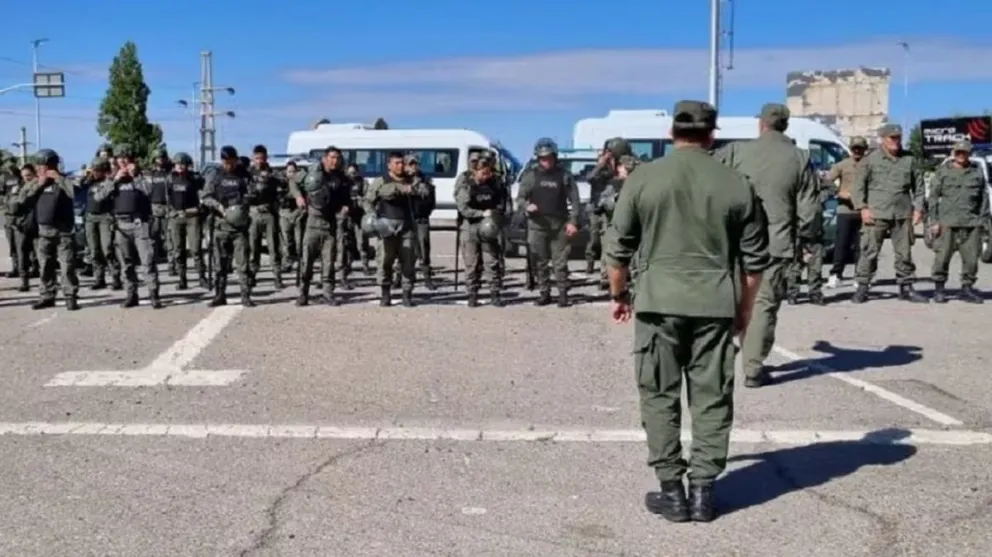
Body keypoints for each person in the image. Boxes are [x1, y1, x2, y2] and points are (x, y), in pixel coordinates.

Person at [603, 99, 770, 523]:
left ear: (671, 134)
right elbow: (754, 263)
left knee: (659, 394)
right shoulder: (736, 183)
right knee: (712, 396)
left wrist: (620, 297)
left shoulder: (643, 179)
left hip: (658, 303)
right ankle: (703, 493)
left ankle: (671, 491)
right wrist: (744, 311)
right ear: (712, 134)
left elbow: (617, 252)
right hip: (715, 303)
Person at [712, 103, 820, 388]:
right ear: (786, 125)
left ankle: (716, 362)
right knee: (763, 305)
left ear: (761, 124)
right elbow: (808, 211)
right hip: (776, 243)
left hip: (733, 240)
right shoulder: (800, 158)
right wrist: (806, 241)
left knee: (724, 301)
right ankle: (752, 369)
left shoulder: (736, 152)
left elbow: (706, 178)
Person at [851, 124, 927, 304]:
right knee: (869, 251)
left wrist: (918, 208)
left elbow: (919, 187)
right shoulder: (870, 160)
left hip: (902, 213)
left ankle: (906, 287)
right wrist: (863, 208)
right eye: (892, 138)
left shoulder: (909, 159)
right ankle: (862, 287)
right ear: (882, 139)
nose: (896, 141)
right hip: (876, 213)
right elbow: (858, 187)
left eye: (898, 138)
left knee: (904, 252)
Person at [514, 138, 581, 307]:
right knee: (540, 262)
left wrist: (573, 222)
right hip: (538, 225)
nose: (546, 161)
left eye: (549, 157)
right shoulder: (531, 176)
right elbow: (520, 198)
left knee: (560, 262)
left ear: (555, 156)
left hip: (559, 225)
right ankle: (544, 293)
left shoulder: (565, 176)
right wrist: (527, 206)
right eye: (542, 158)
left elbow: (575, 201)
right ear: (538, 158)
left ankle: (563, 294)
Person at [92, 153, 162, 309]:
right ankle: (131, 294)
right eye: (120, 159)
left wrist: (135, 176)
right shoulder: (112, 179)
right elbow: (99, 197)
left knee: (147, 261)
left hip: (140, 224)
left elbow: (149, 191)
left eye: (126, 159)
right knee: (126, 263)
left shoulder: (140, 177)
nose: (123, 162)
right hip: (121, 225)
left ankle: (153, 294)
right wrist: (115, 179)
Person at [15, 149, 81, 311]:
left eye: (41, 165)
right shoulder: (35, 182)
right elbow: (22, 200)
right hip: (43, 231)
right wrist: (39, 184)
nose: (38, 169)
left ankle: (70, 297)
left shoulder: (64, 180)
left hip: (63, 231)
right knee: (45, 266)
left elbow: (75, 193)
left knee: (67, 266)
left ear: (51, 165)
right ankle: (47, 296)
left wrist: (58, 178)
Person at [364, 151, 431, 307]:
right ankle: (385, 294)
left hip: (407, 227)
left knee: (408, 262)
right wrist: (372, 217)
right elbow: (368, 201)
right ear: (389, 164)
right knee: (384, 262)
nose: (400, 166)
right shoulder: (380, 181)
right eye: (397, 163)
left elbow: (425, 192)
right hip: (386, 227)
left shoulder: (412, 180)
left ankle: (407, 294)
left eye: (402, 163)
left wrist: (415, 185)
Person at [928, 140, 988, 303]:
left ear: (969, 153)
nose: (961, 155)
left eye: (965, 152)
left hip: (971, 223)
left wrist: (983, 221)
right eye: (958, 152)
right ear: (954, 153)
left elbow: (984, 198)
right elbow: (933, 198)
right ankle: (939, 290)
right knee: (942, 257)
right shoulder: (943, 172)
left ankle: (966, 289)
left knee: (971, 259)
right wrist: (933, 221)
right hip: (947, 223)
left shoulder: (977, 173)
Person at [291, 146, 351, 305]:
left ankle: (328, 294)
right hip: (312, 220)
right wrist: (298, 197)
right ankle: (303, 294)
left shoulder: (342, 178)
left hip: (330, 222)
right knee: (307, 260)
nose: (335, 161)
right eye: (332, 157)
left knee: (329, 261)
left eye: (337, 158)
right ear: (325, 158)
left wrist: (346, 207)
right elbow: (293, 181)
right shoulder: (313, 172)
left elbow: (347, 200)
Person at [200, 146, 256, 307]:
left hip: (240, 228)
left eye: (231, 162)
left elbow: (253, 193)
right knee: (220, 264)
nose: (228, 165)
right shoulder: (215, 175)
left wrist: (244, 202)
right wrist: (219, 206)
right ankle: (220, 294)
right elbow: (205, 196)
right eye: (226, 162)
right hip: (221, 225)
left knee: (242, 263)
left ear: (236, 160)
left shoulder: (244, 175)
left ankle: (245, 295)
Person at [455, 156, 505, 306]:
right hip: (470, 226)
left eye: (488, 173)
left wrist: (497, 215)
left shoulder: (495, 183)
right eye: (483, 173)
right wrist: (481, 214)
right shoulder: (466, 184)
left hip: (489, 226)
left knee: (492, 261)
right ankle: (472, 293)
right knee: (471, 262)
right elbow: (463, 208)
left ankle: (494, 292)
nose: (486, 177)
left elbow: (502, 202)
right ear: (475, 171)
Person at [822, 136, 869, 287]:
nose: (857, 151)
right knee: (841, 244)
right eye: (854, 148)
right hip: (845, 210)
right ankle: (836, 275)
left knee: (862, 246)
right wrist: (838, 192)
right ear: (850, 148)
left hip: (864, 211)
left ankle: (860, 276)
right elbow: (826, 181)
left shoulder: (870, 165)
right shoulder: (842, 165)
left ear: (864, 149)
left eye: (860, 148)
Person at [587, 138, 634, 284]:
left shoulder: (629, 164)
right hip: (605, 209)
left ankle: (625, 274)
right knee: (605, 242)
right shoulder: (604, 168)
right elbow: (591, 178)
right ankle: (606, 276)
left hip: (624, 206)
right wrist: (602, 164)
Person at [166, 152, 208, 290]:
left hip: (192, 216)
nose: (180, 167)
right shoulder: (170, 179)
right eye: (178, 164)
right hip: (176, 217)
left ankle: (202, 276)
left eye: (183, 164)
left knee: (196, 249)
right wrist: (171, 213)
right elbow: (166, 198)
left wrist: (201, 208)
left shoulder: (195, 178)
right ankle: (182, 278)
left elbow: (206, 192)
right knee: (178, 250)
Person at [81, 158, 121, 291]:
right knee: (94, 250)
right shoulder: (90, 182)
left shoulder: (109, 182)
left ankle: (116, 277)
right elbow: (78, 185)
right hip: (90, 217)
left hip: (105, 217)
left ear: (104, 171)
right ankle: (99, 278)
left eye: (97, 170)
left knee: (107, 249)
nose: (95, 173)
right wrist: (86, 176)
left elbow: (104, 196)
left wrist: (110, 179)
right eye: (94, 170)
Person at [248, 144, 284, 289]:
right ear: (253, 158)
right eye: (257, 158)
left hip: (269, 213)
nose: (259, 161)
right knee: (253, 246)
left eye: (262, 158)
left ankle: (277, 276)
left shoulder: (273, 173)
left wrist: (271, 180)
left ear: (266, 158)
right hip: (254, 213)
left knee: (273, 246)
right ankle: (252, 275)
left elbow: (283, 185)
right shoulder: (248, 174)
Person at [147, 147, 173, 274]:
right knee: (152, 238)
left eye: (162, 157)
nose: (160, 160)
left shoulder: (170, 173)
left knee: (170, 238)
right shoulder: (150, 174)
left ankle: (172, 265)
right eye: (158, 158)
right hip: (154, 208)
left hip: (168, 207)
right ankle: (152, 263)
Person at [278, 160, 304, 275]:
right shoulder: (281, 183)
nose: (291, 174)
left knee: (299, 242)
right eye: (289, 171)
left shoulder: (301, 184)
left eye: (293, 171)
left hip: (298, 214)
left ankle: (302, 264)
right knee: (287, 242)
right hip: (285, 214)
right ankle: (287, 263)